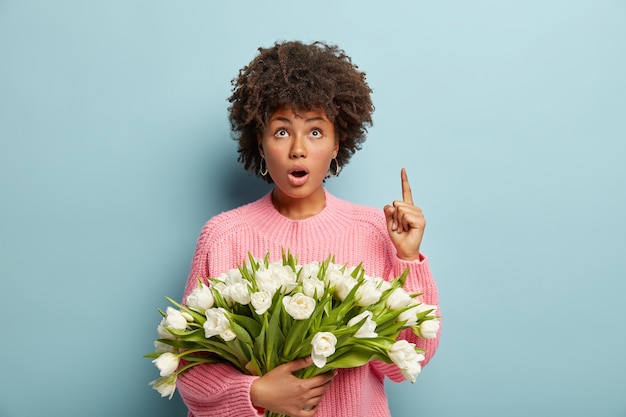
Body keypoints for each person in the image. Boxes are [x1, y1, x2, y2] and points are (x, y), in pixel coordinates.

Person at [177, 40, 440, 417]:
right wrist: (255, 392)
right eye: (282, 132)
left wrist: (408, 258)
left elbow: (405, 361)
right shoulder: (222, 237)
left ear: (337, 144)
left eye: (315, 132)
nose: (298, 149)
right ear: (261, 144)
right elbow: (188, 364)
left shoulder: (373, 231)